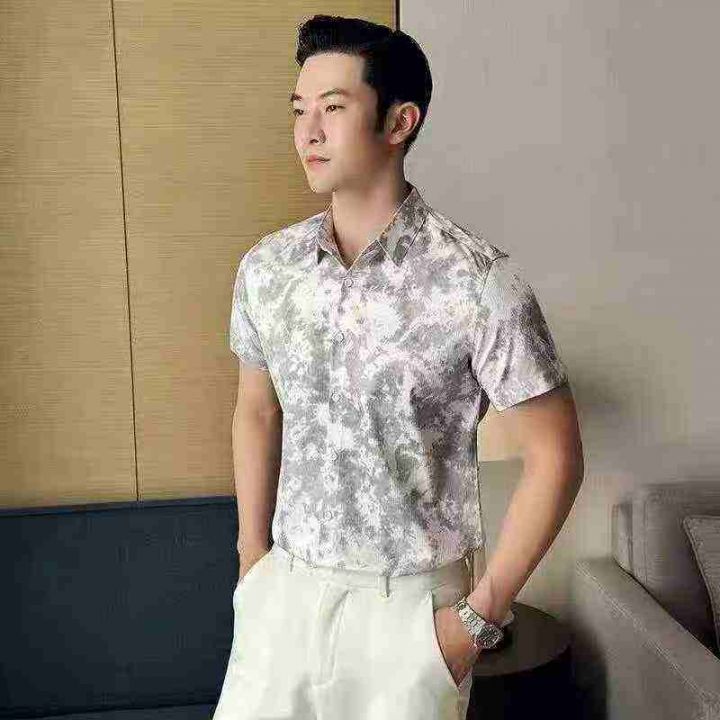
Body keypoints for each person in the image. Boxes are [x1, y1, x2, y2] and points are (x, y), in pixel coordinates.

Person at [213, 14, 584, 720]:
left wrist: (476, 620)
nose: (307, 132)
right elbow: (256, 412)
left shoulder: (478, 282)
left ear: (399, 122)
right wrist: (251, 562)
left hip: (411, 613)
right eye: (299, 109)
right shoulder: (267, 270)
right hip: (282, 595)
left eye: (333, 108)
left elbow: (556, 456)